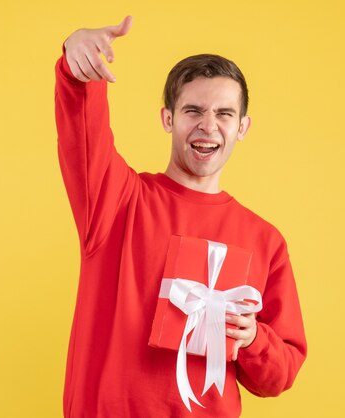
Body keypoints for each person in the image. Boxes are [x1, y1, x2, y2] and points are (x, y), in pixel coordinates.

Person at [55, 15, 307, 418]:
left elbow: (279, 374)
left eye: (225, 114)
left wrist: (252, 338)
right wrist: (77, 69)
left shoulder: (266, 241)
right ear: (168, 119)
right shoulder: (117, 201)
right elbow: (83, 133)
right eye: (193, 110)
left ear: (242, 127)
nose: (208, 125)